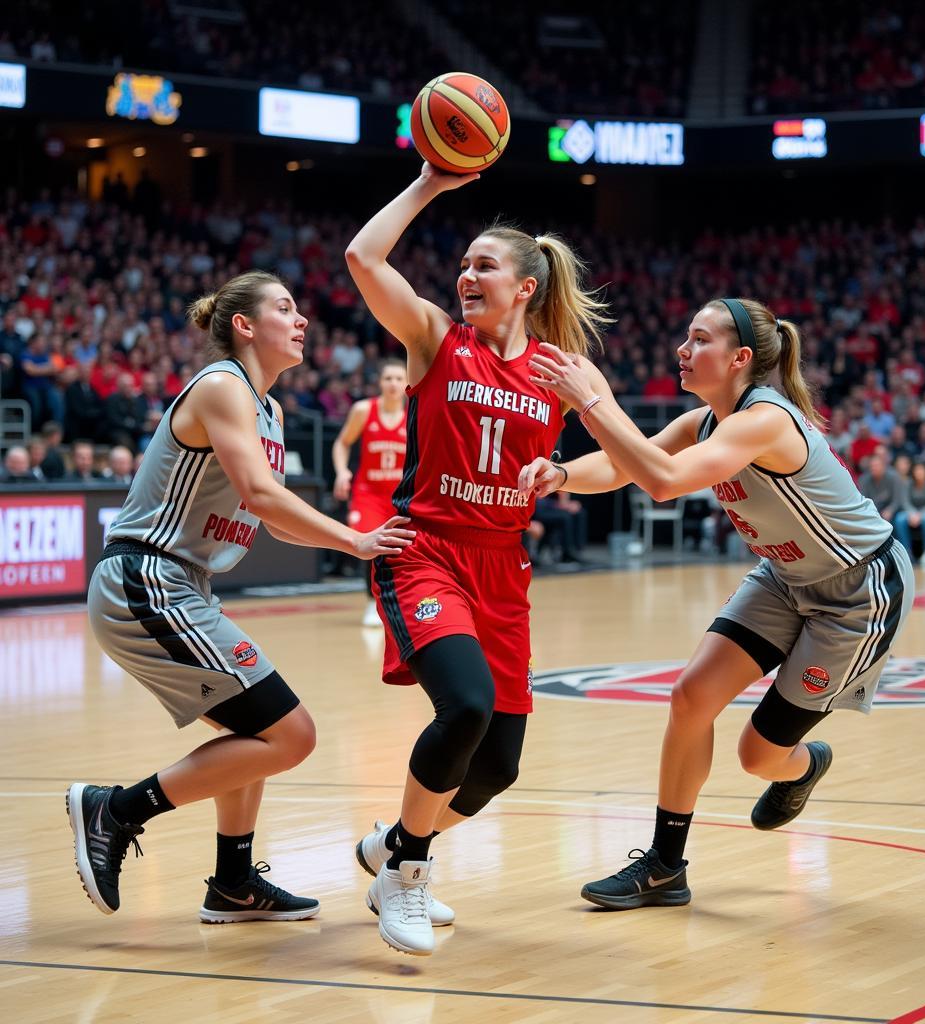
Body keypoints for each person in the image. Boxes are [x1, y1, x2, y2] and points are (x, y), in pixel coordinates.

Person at [519, 296, 915, 911]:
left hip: (856, 588)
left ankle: (802, 765)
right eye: (685, 336)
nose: (683, 349)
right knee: (689, 697)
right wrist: (563, 475)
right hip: (785, 576)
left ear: (740, 359)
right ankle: (664, 867)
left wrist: (593, 402)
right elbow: (630, 465)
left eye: (699, 340)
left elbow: (665, 481)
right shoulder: (702, 422)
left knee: (758, 756)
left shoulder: (765, 421)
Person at [67, 271, 414, 925]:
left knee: (255, 730)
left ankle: (232, 882)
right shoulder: (223, 385)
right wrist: (357, 538)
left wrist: (350, 543)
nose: (302, 320)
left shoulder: (272, 412)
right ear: (245, 326)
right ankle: (114, 810)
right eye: (286, 308)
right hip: (147, 578)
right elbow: (259, 495)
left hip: (182, 585)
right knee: (292, 734)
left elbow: (274, 518)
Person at [344, 162, 610, 955]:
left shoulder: (562, 369)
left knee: (497, 768)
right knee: (463, 706)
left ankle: (390, 843)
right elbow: (364, 259)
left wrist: (563, 471)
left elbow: (624, 461)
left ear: (525, 287)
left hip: (503, 568)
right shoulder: (434, 337)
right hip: (425, 551)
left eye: (483, 265)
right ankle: (408, 874)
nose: (466, 275)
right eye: (462, 264)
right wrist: (429, 183)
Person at [331, 357, 408, 626]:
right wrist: (342, 472)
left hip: (400, 496)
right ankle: (371, 603)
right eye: (388, 378)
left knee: (403, 553)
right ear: (380, 382)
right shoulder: (364, 410)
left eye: (399, 378)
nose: (393, 384)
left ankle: (399, 602)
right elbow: (342, 443)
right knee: (370, 548)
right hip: (368, 494)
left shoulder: (414, 415)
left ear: (407, 383)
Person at [893, 461, 925, 565]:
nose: (919, 473)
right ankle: (907, 551)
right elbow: (905, 501)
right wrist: (912, 513)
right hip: (911, 512)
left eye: (922, 470)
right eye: (917, 470)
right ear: (913, 472)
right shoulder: (907, 483)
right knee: (899, 518)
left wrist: (920, 515)